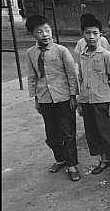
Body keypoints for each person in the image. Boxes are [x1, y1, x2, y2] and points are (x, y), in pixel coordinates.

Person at [25, 14, 80, 181]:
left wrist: (73, 96)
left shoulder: (61, 50)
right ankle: (61, 158)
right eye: (40, 31)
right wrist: (35, 98)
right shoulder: (30, 53)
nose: (45, 34)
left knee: (67, 133)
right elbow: (32, 76)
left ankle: (72, 165)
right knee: (52, 136)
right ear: (33, 34)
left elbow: (72, 74)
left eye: (47, 30)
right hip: (44, 99)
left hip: (63, 98)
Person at [76, 17, 110, 183]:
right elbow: (82, 79)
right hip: (87, 100)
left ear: (100, 35)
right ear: (82, 34)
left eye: (95, 33)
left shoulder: (107, 55)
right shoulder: (82, 56)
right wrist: (80, 100)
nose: (91, 36)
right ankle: (104, 160)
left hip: (104, 101)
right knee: (93, 134)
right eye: (88, 33)